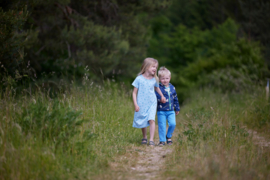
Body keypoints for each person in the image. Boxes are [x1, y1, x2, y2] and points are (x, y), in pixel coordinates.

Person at [132, 58, 166, 147]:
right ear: (147, 67)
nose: (155, 69)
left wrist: (162, 96)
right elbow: (134, 92)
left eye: (156, 67)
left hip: (152, 102)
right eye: (153, 66)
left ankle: (151, 140)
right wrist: (135, 104)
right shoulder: (139, 79)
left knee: (151, 119)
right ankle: (144, 137)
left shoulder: (154, 79)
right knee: (143, 120)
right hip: (141, 103)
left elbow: (157, 88)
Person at [155, 67, 180, 146]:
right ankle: (162, 141)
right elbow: (156, 96)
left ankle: (168, 136)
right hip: (161, 110)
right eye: (163, 78)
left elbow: (175, 98)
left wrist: (177, 108)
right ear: (159, 79)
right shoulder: (158, 88)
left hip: (171, 110)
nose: (165, 80)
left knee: (173, 124)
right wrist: (160, 99)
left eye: (167, 78)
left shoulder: (172, 88)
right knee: (162, 125)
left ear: (170, 78)